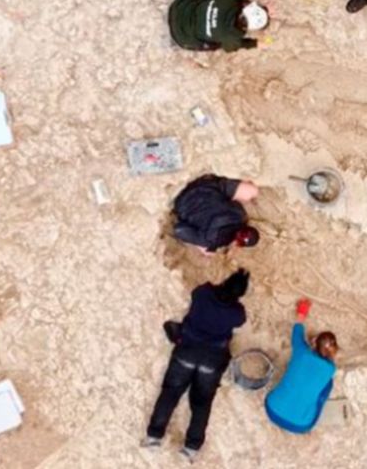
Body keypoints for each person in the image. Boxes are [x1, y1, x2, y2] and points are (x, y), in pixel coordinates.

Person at [143, 269, 250, 462]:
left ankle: (154, 436)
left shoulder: (204, 293)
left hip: (187, 352)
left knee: (170, 393)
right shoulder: (236, 313)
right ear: (240, 295)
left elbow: (196, 295)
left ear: (225, 280)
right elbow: (241, 321)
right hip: (212, 360)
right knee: (201, 404)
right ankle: (191, 448)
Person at [264, 299, 338, 434]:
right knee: (328, 385)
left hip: (273, 409)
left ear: (314, 343)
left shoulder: (302, 351)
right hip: (300, 425)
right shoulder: (331, 368)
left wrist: (302, 310)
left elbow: (297, 327)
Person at [171, 175, 260, 254]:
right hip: (183, 201)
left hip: (205, 184)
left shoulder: (240, 214)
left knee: (253, 192)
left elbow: (232, 202)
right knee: (206, 251)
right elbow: (179, 230)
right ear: (237, 244)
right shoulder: (211, 241)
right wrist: (199, 244)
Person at [168, 0, 268, 52]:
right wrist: (255, 44)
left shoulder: (232, 1)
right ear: (247, 28)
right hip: (181, 35)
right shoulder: (232, 36)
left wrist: (263, 9)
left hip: (180, 6)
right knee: (216, 45)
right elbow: (230, 48)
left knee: (211, 1)